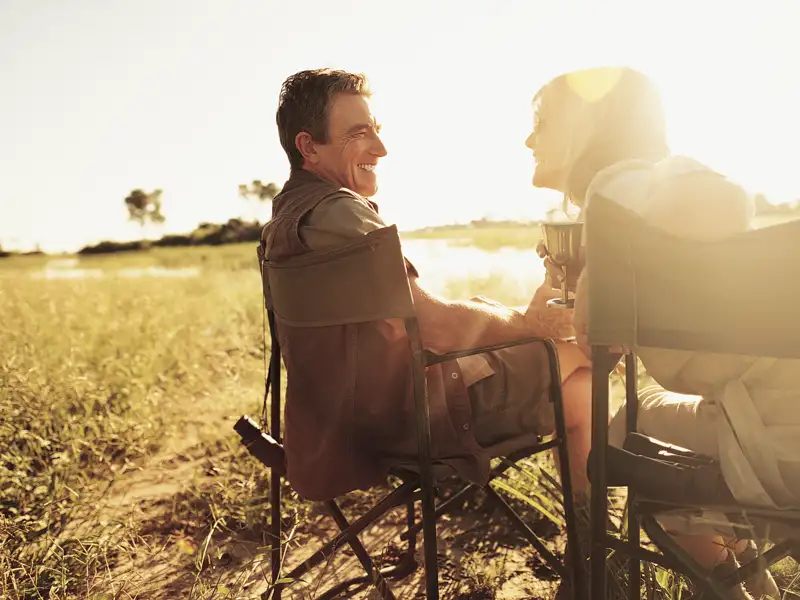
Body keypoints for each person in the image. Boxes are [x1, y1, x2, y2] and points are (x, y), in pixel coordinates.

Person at [260, 69, 593, 526]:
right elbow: (433, 324)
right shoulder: (341, 214)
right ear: (307, 146)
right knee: (579, 362)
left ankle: (588, 541)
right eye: (360, 134)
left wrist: (504, 318)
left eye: (377, 131)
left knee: (556, 367)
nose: (380, 148)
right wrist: (528, 325)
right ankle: (593, 541)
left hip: (335, 429)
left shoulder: (283, 224)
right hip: (412, 422)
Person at [529, 66, 780, 599]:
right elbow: (605, 335)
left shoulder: (623, 183)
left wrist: (606, 260)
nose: (529, 138)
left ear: (584, 128)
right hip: (770, 424)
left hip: (779, 447)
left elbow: (721, 201)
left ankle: (726, 586)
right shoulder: (632, 190)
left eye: (542, 121)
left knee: (625, 432)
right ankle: (743, 581)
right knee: (639, 414)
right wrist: (611, 274)